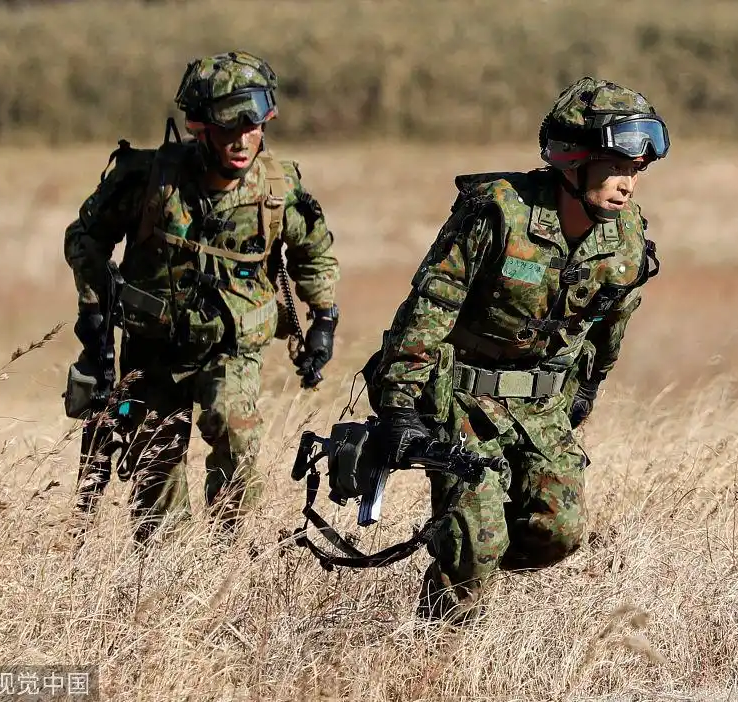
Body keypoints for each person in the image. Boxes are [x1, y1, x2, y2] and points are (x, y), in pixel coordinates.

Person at [365, 76, 669, 623]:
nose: (629, 185)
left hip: (538, 403)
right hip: (458, 395)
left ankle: (462, 557)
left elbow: (609, 327)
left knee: (559, 531)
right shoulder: (498, 213)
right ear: (573, 159)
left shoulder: (624, 240)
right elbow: (430, 307)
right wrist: (398, 407)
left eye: (637, 171)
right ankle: (442, 641)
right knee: (476, 541)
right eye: (618, 167)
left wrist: (585, 390)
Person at [63, 51, 340, 544]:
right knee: (154, 473)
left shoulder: (278, 187)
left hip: (232, 347)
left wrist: (323, 317)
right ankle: (170, 579)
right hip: (152, 349)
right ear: (199, 127)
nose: (241, 139)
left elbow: (312, 250)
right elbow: (85, 238)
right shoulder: (148, 180)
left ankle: (230, 553)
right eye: (227, 125)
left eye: (252, 123)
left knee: (232, 423)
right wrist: (93, 314)